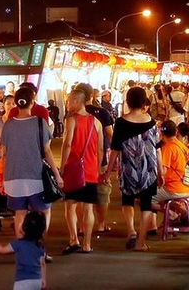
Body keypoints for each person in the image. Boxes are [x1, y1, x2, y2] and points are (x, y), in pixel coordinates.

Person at [99, 86, 163, 252]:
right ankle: (141, 242)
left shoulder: (120, 122)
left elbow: (115, 149)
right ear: (144, 102)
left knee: (127, 200)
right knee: (146, 204)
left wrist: (107, 173)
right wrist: (161, 172)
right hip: (149, 169)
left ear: (127, 101)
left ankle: (131, 231)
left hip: (128, 167)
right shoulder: (151, 122)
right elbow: (157, 149)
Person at [0, 87, 62, 259]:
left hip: (12, 176)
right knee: (43, 213)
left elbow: (4, 152)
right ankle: (39, 250)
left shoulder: (8, 125)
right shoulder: (39, 123)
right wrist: (57, 175)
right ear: (32, 102)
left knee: (19, 213)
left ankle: (22, 252)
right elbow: (47, 151)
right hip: (35, 176)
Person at [60, 87, 103, 255]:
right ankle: (87, 244)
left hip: (73, 169)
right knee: (88, 208)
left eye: (69, 101)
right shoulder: (96, 122)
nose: (68, 103)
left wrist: (62, 166)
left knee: (70, 205)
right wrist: (99, 169)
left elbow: (67, 144)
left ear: (77, 101)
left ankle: (74, 239)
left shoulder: (72, 120)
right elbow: (100, 149)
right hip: (91, 170)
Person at [75, 82, 113, 234]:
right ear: (93, 95)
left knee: (79, 195)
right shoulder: (102, 113)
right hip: (98, 160)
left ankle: (82, 226)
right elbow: (110, 135)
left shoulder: (74, 114)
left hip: (78, 161)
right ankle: (101, 224)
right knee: (102, 192)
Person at [0, 211, 47, 290]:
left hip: (22, 282)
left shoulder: (19, 244)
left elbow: (2, 249)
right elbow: (42, 264)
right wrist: (43, 279)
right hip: (37, 280)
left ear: (25, 227)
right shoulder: (40, 245)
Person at [147, 120, 189, 233]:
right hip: (185, 186)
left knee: (144, 199)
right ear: (176, 131)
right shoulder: (182, 146)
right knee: (160, 196)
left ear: (161, 133)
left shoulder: (168, 148)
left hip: (173, 187)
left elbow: (163, 171)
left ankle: (171, 214)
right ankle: (179, 214)